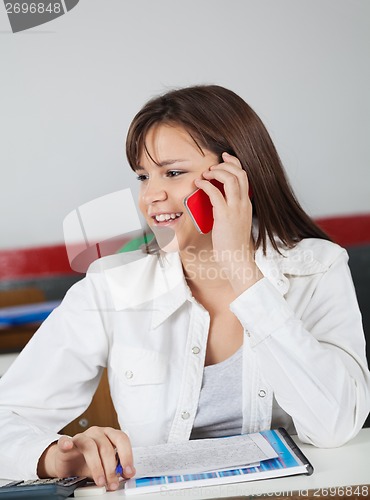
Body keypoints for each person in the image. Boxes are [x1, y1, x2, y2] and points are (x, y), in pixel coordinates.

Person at [0, 85, 369, 491]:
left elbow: (336, 425)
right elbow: (8, 416)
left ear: (235, 176)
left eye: (172, 173)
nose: (150, 196)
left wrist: (242, 272)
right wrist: (56, 456)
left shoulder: (317, 268)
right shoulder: (112, 285)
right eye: (143, 176)